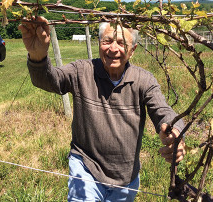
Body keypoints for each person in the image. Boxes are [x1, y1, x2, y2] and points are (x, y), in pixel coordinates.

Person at [19, 17, 186, 202]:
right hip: (85, 168)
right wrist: (38, 57)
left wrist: (175, 132)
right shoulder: (82, 71)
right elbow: (49, 80)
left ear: (132, 50)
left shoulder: (143, 80)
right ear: (99, 43)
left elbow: (163, 110)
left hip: (126, 177)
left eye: (122, 43)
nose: (113, 48)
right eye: (107, 41)